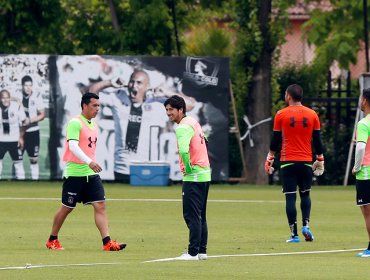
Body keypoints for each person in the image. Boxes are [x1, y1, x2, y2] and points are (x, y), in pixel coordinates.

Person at [46, 92, 126, 251]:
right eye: (94, 106)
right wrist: (90, 162)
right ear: (84, 106)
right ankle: (52, 239)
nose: (98, 109)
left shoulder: (94, 125)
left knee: (100, 206)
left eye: (99, 106)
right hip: (75, 174)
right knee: (67, 208)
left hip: (91, 175)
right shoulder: (75, 123)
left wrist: (92, 163)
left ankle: (107, 242)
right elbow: (73, 146)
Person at [89, 69, 195, 183]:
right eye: (132, 82)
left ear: (147, 86)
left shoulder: (156, 102)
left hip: (147, 166)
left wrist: (167, 92)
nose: (134, 85)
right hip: (122, 167)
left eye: (139, 83)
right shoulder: (118, 98)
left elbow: (189, 105)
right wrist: (109, 82)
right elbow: (89, 95)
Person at [264, 84, 324, 243]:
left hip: (287, 162)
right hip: (305, 162)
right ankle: (306, 225)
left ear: (289, 96)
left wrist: (270, 158)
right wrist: (320, 159)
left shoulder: (280, 114)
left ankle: (294, 235)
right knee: (305, 194)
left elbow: (276, 140)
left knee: (290, 198)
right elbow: (317, 140)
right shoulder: (312, 115)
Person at [164, 95, 211, 261]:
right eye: (167, 110)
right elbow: (205, 140)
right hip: (205, 174)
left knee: (191, 215)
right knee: (200, 215)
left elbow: (184, 151)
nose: (169, 113)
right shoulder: (193, 122)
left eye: (171, 110)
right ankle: (201, 251)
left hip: (194, 176)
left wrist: (189, 169)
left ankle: (192, 253)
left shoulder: (183, 127)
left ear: (181, 110)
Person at [14, 75, 45, 180]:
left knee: (34, 160)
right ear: (22, 86)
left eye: (30, 85)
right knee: (18, 160)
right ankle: (20, 183)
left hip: (33, 132)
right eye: (26, 85)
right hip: (19, 133)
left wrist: (30, 120)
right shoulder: (17, 95)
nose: (28, 88)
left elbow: (42, 115)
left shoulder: (37, 96)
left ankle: (35, 182)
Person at [352, 88, 370, 257]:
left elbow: (361, 148)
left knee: (367, 211)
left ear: (364, 100)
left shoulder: (364, 123)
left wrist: (357, 166)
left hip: (366, 171)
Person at [0, 89, 26, 179]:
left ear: (10, 98)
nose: (5, 100)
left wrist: (21, 137)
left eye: (7, 98)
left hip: (14, 140)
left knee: (18, 164)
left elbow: (23, 122)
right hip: (1, 140)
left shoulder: (16, 107)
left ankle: (23, 186)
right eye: (3, 98)